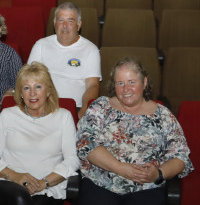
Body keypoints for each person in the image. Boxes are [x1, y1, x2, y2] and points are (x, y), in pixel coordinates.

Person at [75, 57, 192, 205]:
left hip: (147, 188)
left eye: (132, 82)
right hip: (100, 183)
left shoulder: (164, 115)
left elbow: (181, 156)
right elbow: (86, 143)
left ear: (144, 82)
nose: (126, 89)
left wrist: (159, 173)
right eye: (120, 83)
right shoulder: (100, 107)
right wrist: (121, 168)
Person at [0, 62, 79, 205]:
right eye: (26, 88)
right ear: (21, 93)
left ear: (49, 91)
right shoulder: (7, 115)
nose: (32, 93)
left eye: (38, 87)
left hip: (48, 188)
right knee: (20, 200)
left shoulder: (64, 117)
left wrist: (43, 183)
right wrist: (15, 176)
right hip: (10, 186)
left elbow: (72, 159)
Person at [27, 2, 101, 117]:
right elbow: (29, 78)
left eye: (70, 21)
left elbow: (93, 85)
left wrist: (85, 110)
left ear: (79, 25)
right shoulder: (41, 45)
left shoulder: (90, 50)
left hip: (74, 108)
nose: (65, 25)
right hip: (43, 106)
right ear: (54, 23)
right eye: (61, 20)